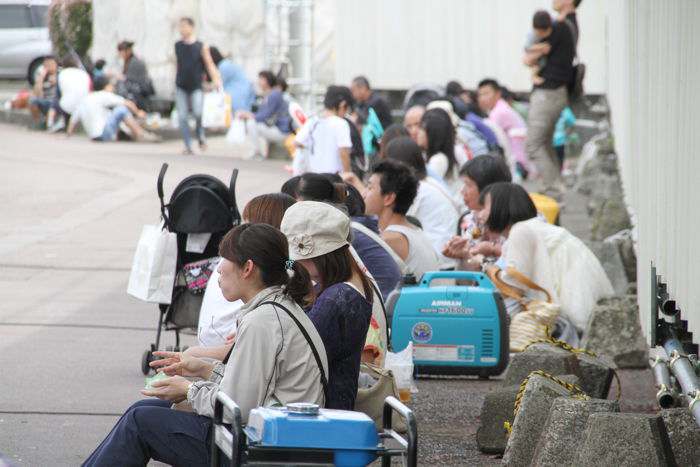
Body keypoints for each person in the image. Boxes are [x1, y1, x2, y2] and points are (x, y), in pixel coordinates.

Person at [83, 223, 327, 466]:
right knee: (144, 408)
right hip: (269, 436)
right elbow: (249, 387)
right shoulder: (275, 308)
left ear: (248, 268)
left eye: (225, 260)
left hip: (263, 449)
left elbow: (237, 407)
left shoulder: (263, 321)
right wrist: (201, 369)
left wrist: (189, 390)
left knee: (140, 421)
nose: (218, 269)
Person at [478, 182, 613, 333]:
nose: (479, 214)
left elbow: (513, 286)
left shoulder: (520, 231)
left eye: (484, 207)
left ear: (501, 207)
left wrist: (485, 265)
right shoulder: (528, 227)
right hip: (583, 302)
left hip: (572, 310)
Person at [281, 201, 373, 409]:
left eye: (297, 258)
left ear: (320, 256)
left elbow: (296, 358)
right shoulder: (347, 285)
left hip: (320, 413)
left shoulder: (337, 299)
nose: (293, 264)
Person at [193, 192, 297, 353]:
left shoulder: (244, 257)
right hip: (227, 343)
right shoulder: (274, 264)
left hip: (216, 341)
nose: (241, 229)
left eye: (247, 223)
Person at [522, 6, 575, 199]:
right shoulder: (565, 26)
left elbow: (529, 57)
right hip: (556, 93)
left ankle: (553, 188)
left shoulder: (560, 27)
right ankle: (555, 184)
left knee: (533, 145)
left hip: (548, 93)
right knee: (544, 142)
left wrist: (530, 58)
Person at [382, 136, 460, 266]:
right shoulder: (428, 182)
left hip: (442, 262)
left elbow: (395, 222)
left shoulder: (417, 190)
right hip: (444, 255)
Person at [363, 160, 440, 278]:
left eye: (369, 188)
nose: (363, 194)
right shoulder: (414, 231)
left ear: (388, 198)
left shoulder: (390, 240)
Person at [442, 156, 513, 270]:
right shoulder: (471, 218)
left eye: (468, 185)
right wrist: (462, 252)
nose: (462, 191)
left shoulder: (519, 215)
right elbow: (473, 265)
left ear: (488, 188)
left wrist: (493, 249)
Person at [174, 17, 222, 155]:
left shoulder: (201, 46)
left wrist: (216, 79)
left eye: (184, 26)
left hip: (196, 85)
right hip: (181, 85)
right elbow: (177, 65)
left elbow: (209, 63)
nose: (181, 29)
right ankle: (188, 145)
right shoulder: (178, 45)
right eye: (180, 26)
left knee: (198, 112)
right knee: (182, 116)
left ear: (191, 27)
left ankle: (201, 136)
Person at [66, 76, 157, 142]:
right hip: (104, 133)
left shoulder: (85, 99)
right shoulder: (103, 95)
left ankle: (126, 134)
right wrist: (138, 113)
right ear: (106, 86)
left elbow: (73, 119)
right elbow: (128, 103)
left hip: (93, 136)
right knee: (121, 110)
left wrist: (68, 134)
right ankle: (140, 134)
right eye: (111, 85)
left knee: (109, 113)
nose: (113, 87)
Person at [477, 79, 530, 177]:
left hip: (519, 164)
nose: (482, 98)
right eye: (480, 95)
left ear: (498, 94)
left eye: (486, 93)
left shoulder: (498, 112)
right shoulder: (500, 108)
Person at [294, 85, 352, 174]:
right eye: (346, 109)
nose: (345, 113)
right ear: (342, 105)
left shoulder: (313, 121)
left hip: (314, 176)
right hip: (333, 177)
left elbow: (297, 142)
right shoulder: (341, 124)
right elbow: (343, 151)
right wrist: (348, 173)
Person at [238, 70, 291, 160]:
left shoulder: (274, 94)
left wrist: (249, 115)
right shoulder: (270, 94)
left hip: (281, 131)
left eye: (261, 79)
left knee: (251, 123)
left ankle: (257, 153)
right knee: (252, 122)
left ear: (267, 80)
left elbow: (265, 115)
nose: (259, 82)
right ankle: (257, 152)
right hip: (276, 128)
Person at [417, 107, 461, 195]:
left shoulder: (438, 160)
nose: (418, 132)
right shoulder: (432, 156)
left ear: (433, 134)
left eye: (422, 129)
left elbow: (425, 189)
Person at [47, 56, 91, 133]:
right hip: (84, 105)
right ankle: (62, 123)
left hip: (66, 107)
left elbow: (59, 93)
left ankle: (50, 124)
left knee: (55, 101)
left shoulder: (61, 74)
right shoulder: (84, 73)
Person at [208, 46, 255, 112]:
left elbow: (217, 84)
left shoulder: (223, 66)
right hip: (243, 93)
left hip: (237, 96)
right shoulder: (226, 64)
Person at [116, 40, 154, 110]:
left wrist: (123, 78)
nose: (120, 55)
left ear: (128, 51)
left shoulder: (135, 62)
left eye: (121, 52)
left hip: (140, 94)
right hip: (134, 92)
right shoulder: (128, 61)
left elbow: (132, 80)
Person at [29, 56, 58, 127]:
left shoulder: (60, 74)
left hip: (55, 102)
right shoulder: (42, 75)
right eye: (46, 65)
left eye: (50, 65)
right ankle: (38, 123)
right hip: (45, 100)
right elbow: (36, 93)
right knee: (32, 100)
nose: (48, 67)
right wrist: (41, 79)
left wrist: (55, 80)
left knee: (53, 103)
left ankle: (47, 124)